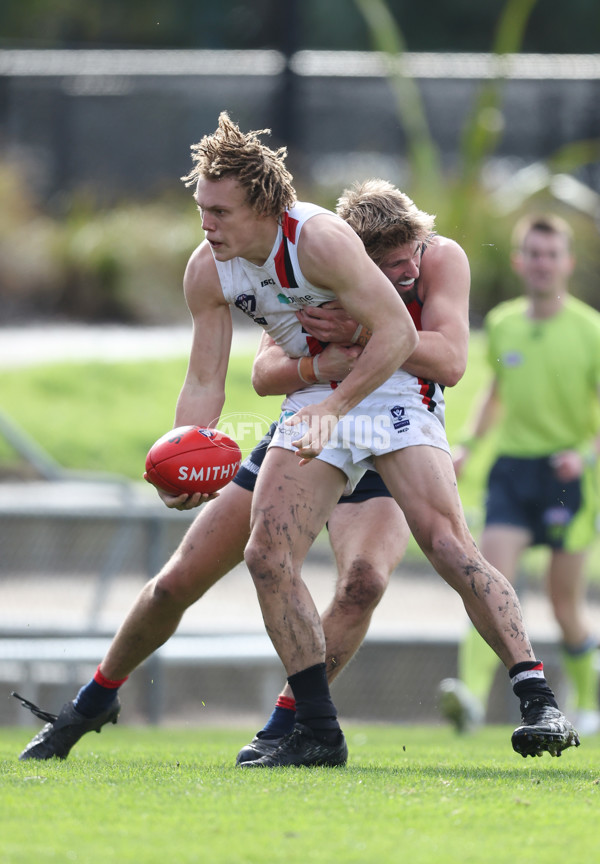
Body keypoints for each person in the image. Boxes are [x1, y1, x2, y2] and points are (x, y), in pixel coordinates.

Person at [15, 116, 577, 767]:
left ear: (261, 205)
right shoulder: (211, 268)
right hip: (317, 400)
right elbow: (211, 380)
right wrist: (183, 455)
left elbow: (401, 336)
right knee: (256, 556)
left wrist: (338, 396)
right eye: (200, 208)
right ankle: (307, 727)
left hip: (391, 397)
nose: (205, 223)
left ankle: (537, 698)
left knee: (441, 547)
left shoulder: (322, 240)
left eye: (218, 210)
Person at [440, 213, 600, 736]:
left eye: (551, 255)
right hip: (511, 472)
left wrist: (586, 456)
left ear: (567, 263)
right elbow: (495, 392)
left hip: (564, 475)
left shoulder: (589, 330)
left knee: (563, 603)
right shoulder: (505, 322)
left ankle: (589, 702)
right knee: (488, 581)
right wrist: (467, 445)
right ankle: (467, 696)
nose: (542, 263)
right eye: (533, 254)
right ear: (519, 262)